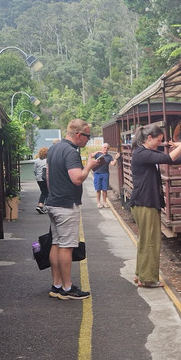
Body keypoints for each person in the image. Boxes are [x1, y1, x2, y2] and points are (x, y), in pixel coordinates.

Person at [128, 122, 181, 288]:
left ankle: (141, 274)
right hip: (145, 203)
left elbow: (172, 160)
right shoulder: (142, 153)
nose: (160, 144)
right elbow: (168, 158)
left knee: (145, 241)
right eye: (158, 140)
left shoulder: (145, 152)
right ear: (149, 138)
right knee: (151, 242)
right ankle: (148, 279)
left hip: (144, 202)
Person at [44, 119, 102, 300]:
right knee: (66, 246)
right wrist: (89, 166)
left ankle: (56, 285)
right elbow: (77, 179)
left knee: (56, 243)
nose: (88, 139)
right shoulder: (71, 152)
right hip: (66, 206)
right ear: (78, 134)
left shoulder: (54, 148)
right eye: (87, 136)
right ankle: (67, 288)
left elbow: (48, 176)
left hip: (53, 202)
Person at [92, 142, 117, 208]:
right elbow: (91, 156)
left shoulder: (109, 156)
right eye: (104, 147)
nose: (106, 149)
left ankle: (104, 203)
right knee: (98, 189)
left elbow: (113, 164)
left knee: (105, 189)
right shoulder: (98, 154)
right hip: (97, 173)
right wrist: (97, 151)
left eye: (107, 148)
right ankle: (98, 203)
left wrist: (116, 158)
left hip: (105, 174)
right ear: (102, 148)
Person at [33, 146, 49, 213]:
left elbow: (34, 170)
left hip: (39, 179)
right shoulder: (47, 160)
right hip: (46, 178)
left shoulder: (37, 161)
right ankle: (44, 205)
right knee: (48, 192)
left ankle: (41, 205)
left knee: (44, 192)